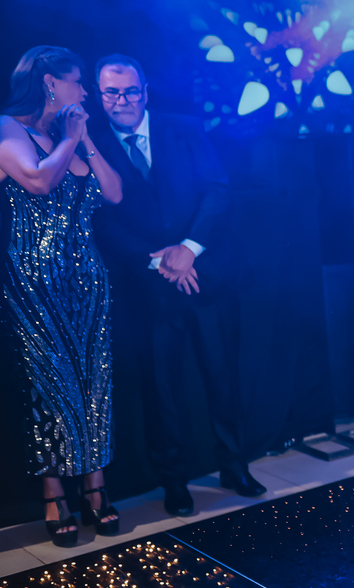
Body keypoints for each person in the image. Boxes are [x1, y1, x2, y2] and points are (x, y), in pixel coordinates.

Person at [90, 54, 261, 517]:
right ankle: (174, 482)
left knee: (222, 377)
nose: (122, 100)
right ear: (100, 96)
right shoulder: (93, 143)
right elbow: (102, 220)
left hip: (207, 275)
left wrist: (189, 248)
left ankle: (235, 466)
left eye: (130, 91)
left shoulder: (184, 128)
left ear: (145, 91)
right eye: (111, 93)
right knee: (161, 389)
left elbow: (217, 190)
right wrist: (162, 261)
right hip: (148, 285)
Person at [0, 46, 123, 546]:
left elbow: (114, 193)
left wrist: (83, 138)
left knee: (94, 382)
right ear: (50, 82)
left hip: (88, 280)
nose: (85, 91)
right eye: (77, 81)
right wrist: (71, 138)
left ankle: (95, 486)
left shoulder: (69, 135)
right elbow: (37, 180)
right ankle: (55, 494)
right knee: (50, 386)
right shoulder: (9, 128)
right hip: (35, 279)